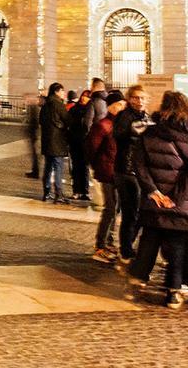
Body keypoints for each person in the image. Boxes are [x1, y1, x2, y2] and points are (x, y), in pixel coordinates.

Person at [124, 90, 188, 310]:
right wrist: (175, 198)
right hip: (181, 204)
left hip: (154, 202)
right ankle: (173, 292)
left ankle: (137, 282)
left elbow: (139, 165)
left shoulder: (148, 134)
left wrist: (153, 192)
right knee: (177, 246)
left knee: (149, 239)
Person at [112, 84, 151, 262]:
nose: (140, 101)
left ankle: (128, 244)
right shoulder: (125, 116)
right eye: (136, 97)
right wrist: (133, 131)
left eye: (143, 98)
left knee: (138, 211)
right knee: (130, 211)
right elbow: (118, 135)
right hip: (126, 169)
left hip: (140, 170)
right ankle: (126, 248)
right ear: (129, 99)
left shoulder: (147, 117)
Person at [88, 95, 125, 262]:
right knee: (109, 209)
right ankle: (100, 245)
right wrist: (98, 166)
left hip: (116, 171)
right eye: (119, 104)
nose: (122, 107)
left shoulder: (118, 125)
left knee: (115, 209)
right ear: (110, 106)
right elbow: (92, 148)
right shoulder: (103, 125)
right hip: (106, 172)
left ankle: (109, 242)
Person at [40, 82, 69, 203]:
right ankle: (59, 193)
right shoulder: (58, 104)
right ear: (57, 91)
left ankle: (46, 193)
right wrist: (62, 126)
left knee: (48, 167)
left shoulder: (45, 105)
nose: (63, 93)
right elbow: (67, 119)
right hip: (57, 141)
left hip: (47, 140)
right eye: (62, 91)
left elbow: (41, 120)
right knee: (58, 167)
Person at [67, 89, 93, 201]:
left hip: (86, 142)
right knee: (76, 167)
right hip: (75, 142)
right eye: (83, 95)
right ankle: (76, 191)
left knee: (85, 167)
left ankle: (85, 192)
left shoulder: (90, 111)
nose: (84, 98)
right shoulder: (74, 109)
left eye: (87, 96)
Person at [23, 94, 41, 178]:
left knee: (35, 154)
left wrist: (31, 133)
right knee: (34, 154)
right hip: (33, 134)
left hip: (33, 134)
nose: (25, 101)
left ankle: (35, 172)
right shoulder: (32, 108)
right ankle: (35, 170)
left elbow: (34, 122)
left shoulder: (33, 108)